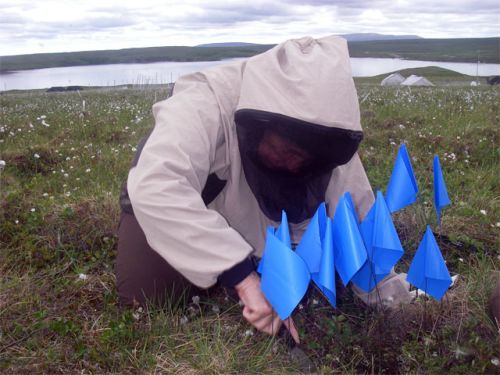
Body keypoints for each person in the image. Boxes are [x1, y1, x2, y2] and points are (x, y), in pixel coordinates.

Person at [115, 35, 413, 340]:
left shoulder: (327, 134)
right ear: (261, 125)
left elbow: (358, 212)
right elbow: (156, 186)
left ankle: (245, 258)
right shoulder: (205, 100)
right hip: (178, 199)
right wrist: (242, 278)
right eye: (288, 150)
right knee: (147, 295)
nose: (297, 165)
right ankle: (227, 261)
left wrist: (394, 299)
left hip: (259, 214)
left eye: (308, 157)